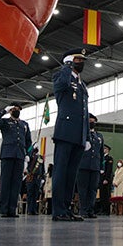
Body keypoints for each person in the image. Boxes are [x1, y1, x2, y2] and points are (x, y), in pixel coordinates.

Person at [51, 48, 89, 222]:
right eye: (77, 60)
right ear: (69, 61)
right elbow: (60, 86)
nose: (81, 63)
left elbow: (84, 112)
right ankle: (58, 210)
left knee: (71, 174)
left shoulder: (82, 85)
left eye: (82, 60)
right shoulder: (61, 77)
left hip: (78, 135)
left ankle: (66, 208)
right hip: (65, 133)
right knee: (60, 172)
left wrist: (86, 136)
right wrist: (66, 67)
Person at [0, 102, 32, 217]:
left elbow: (28, 141)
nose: (16, 110)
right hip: (7, 155)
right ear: (10, 110)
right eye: (14, 109)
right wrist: (4, 111)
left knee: (16, 184)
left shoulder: (24, 124)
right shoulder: (5, 122)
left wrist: (28, 154)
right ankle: (4, 210)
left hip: (20, 156)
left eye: (18, 109)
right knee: (6, 183)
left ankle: (12, 209)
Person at [77, 113, 104, 218]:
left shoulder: (99, 136)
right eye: (89, 121)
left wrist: (102, 167)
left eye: (93, 121)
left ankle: (90, 210)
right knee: (83, 189)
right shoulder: (82, 135)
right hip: (83, 165)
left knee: (93, 189)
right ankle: (83, 210)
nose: (91, 123)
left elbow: (101, 153)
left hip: (95, 166)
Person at [98, 145, 114, 215]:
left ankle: (106, 210)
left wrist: (106, 179)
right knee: (101, 195)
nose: (104, 150)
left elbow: (109, 170)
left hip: (106, 179)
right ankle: (102, 209)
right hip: (101, 178)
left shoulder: (109, 158)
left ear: (108, 150)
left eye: (105, 149)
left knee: (106, 195)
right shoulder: (101, 158)